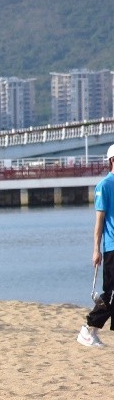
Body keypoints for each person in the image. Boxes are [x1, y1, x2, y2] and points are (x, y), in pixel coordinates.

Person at [79, 144, 114, 346]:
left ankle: (91, 331)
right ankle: (88, 329)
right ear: (112, 160)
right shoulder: (104, 185)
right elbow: (99, 221)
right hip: (111, 247)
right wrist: (96, 249)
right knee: (110, 293)